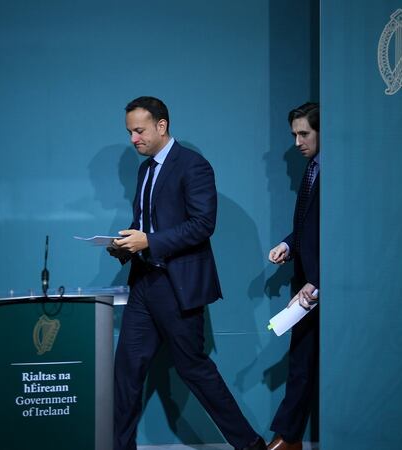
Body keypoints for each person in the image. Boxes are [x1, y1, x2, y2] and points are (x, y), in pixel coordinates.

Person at [108, 96, 266, 450]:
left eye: (139, 130)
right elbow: (147, 223)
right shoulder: (145, 169)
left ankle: (251, 446)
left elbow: (202, 225)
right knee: (126, 371)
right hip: (144, 284)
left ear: (161, 126)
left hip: (177, 286)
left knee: (194, 369)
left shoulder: (193, 166)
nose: (133, 139)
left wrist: (149, 240)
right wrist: (125, 244)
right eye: (129, 132)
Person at [265, 102, 320, 450]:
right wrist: (288, 244)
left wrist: (318, 279)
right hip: (308, 280)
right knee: (301, 359)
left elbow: (338, 233)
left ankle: (289, 437)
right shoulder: (313, 169)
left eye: (305, 133)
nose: (298, 141)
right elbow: (309, 226)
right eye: (294, 134)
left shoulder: (334, 172)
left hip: (319, 283)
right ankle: (289, 438)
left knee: (306, 361)